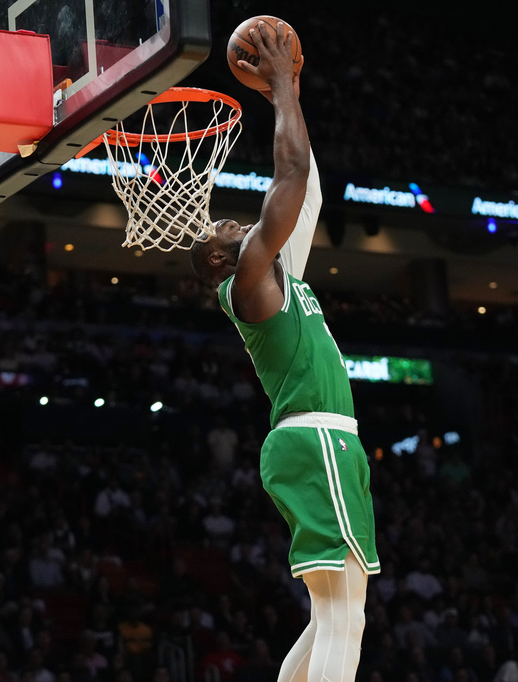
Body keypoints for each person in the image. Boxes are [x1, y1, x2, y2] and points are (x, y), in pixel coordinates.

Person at [188, 20, 380, 682]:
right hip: (315, 438)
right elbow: (289, 171)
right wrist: (277, 88)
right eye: (232, 226)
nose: (243, 223)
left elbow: (311, 192)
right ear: (219, 256)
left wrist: (292, 92)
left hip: (325, 442)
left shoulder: (277, 278)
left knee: (339, 610)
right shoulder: (248, 281)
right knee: (342, 618)